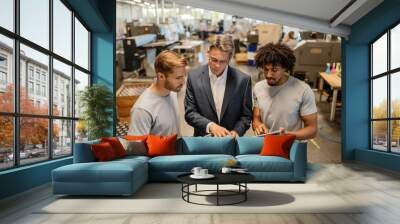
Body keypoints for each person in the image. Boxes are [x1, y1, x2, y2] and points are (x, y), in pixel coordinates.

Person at [184, 35, 252, 137]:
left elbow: (246, 116)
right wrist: (210, 126)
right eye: (214, 60)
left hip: (231, 142)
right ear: (208, 53)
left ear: (229, 58)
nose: (217, 65)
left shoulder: (242, 80)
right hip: (203, 142)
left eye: (223, 61)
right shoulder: (194, 77)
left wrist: (236, 132)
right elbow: (190, 113)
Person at [252, 43, 317, 140]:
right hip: (266, 144)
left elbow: (312, 129)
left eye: (274, 70)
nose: (269, 75)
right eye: (265, 69)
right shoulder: (258, 87)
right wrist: (258, 126)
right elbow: (256, 118)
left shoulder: (303, 90)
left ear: (285, 68)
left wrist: (288, 135)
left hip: (292, 145)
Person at [128, 50, 187, 136]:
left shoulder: (171, 91)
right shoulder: (143, 110)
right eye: (178, 78)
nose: (183, 82)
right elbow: (136, 147)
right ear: (161, 76)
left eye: (184, 76)